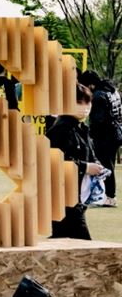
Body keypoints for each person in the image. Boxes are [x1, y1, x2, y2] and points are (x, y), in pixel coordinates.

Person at [46, 78, 103, 239]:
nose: (85, 107)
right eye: (79, 102)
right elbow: (55, 161)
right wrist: (86, 167)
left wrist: (96, 164)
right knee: (81, 240)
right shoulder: (61, 129)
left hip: (77, 194)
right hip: (63, 195)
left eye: (88, 102)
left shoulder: (80, 127)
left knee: (63, 239)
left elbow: (89, 152)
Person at [85, 71, 119, 208]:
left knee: (106, 165)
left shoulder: (98, 96)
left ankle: (110, 197)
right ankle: (108, 196)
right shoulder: (112, 91)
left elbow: (98, 120)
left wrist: (90, 134)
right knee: (109, 164)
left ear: (91, 84)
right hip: (116, 133)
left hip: (105, 136)